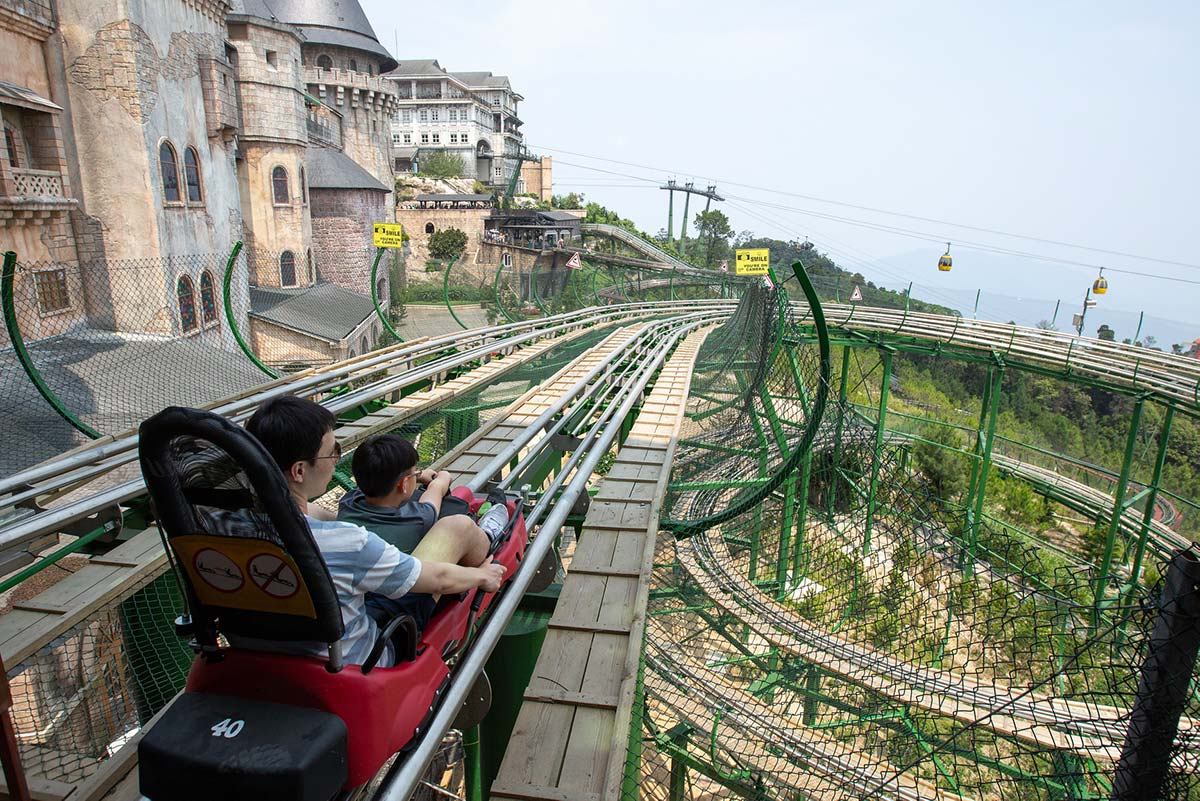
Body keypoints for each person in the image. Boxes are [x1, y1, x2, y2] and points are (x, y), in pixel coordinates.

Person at [245, 396, 506, 668]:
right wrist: (483, 576)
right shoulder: (348, 542)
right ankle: (489, 534)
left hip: (257, 658)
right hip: (356, 661)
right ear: (299, 471)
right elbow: (438, 580)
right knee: (457, 526)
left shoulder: (222, 527)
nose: (336, 459)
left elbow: (305, 516)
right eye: (332, 452)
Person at [337, 433, 509, 556]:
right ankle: (489, 533)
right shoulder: (418, 518)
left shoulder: (348, 501)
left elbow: (379, 477)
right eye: (414, 472)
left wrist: (416, 476)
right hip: (420, 577)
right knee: (465, 527)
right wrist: (442, 478)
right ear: (403, 484)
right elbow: (436, 490)